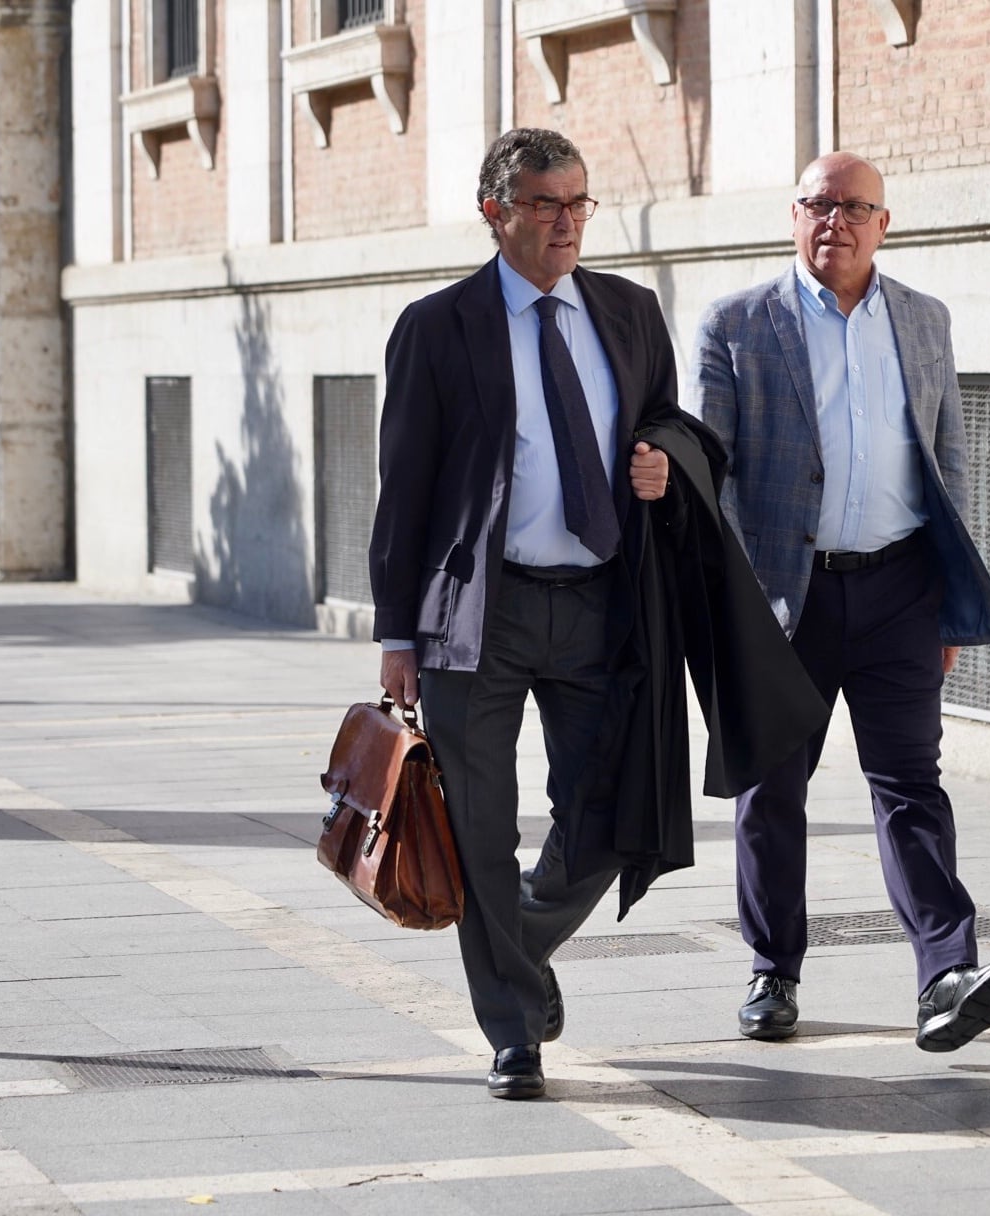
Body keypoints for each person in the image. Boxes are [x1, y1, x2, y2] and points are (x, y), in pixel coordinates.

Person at [369, 129, 825, 1101]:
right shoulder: (435, 326)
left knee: (613, 813)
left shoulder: (626, 309)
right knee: (480, 832)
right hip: (473, 619)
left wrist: (664, 460)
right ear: (495, 213)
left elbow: (667, 417)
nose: (566, 222)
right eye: (543, 204)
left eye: (578, 202)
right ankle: (512, 1035)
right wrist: (397, 635)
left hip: (599, 608)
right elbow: (401, 488)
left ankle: (516, 956)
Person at [687, 152, 990, 1052]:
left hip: (901, 589)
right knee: (771, 792)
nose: (834, 221)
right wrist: (732, 608)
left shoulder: (923, 319)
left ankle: (947, 972)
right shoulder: (736, 324)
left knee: (911, 784)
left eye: (854, 207)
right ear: (792, 215)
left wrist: (947, 603)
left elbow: (945, 459)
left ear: (886, 222)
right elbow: (710, 474)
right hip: (783, 603)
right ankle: (773, 971)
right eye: (817, 205)